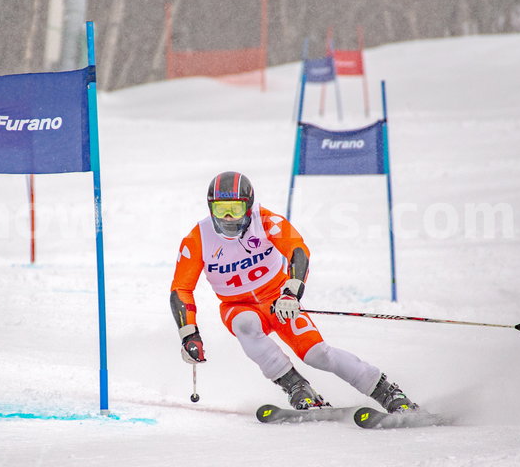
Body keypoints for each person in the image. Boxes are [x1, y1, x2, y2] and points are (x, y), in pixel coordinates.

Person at [170, 171, 419, 413]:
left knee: (318, 354)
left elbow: (298, 250)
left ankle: (387, 391)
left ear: (249, 206)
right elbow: (181, 288)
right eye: (219, 209)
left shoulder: (267, 221)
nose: (227, 218)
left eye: (235, 209)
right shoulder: (197, 238)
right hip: (237, 305)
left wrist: (290, 293)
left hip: (278, 299)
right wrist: (189, 335)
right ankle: (297, 388)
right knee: (245, 324)